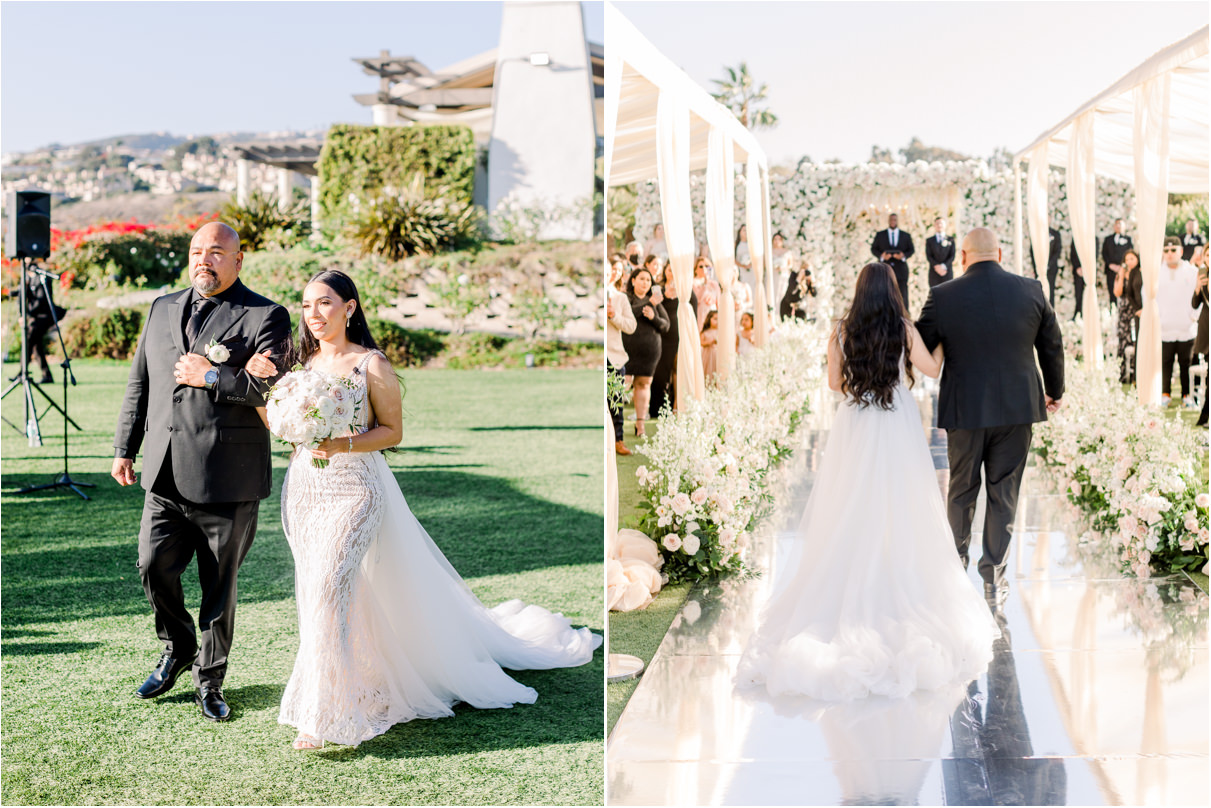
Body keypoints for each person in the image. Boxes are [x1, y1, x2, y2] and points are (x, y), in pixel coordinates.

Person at [241, 270, 601, 749]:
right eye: (307, 306)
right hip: (306, 489)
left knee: (330, 587)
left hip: (356, 489)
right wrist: (262, 389)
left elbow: (392, 431)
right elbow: (280, 425)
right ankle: (359, 681)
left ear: (349, 308)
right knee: (320, 590)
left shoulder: (370, 364)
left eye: (324, 303)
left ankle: (326, 709)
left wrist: (340, 441)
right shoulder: (299, 364)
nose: (314, 315)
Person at [737, 262, 1000, 701]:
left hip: (856, 423)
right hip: (896, 422)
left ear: (859, 291)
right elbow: (932, 371)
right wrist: (943, 347)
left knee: (851, 502)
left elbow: (834, 383)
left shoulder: (841, 331)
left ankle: (851, 573)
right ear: (892, 291)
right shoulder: (903, 327)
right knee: (901, 502)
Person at [112, 222, 293, 722]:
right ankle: (178, 646)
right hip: (163, 473)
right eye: (196, 251)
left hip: (227, 477)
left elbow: (277, 392)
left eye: (215, 252)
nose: (203, 260)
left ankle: (209, 681)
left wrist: (212, 375)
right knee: (152, 567)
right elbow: (140, 382)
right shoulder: (162, 307)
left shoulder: (265, 315)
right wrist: (124, 447)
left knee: (219, 586)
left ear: (238, 259)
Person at [917, 227, 1065, 607]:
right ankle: (994, 574)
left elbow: (920, 346)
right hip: (1018, 410)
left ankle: (955, 567)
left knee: (961, 491)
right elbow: (1052, 342)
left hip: (965, 411)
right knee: (1004, 493)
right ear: (999, 253)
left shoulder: (942, 295)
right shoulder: (1031, 289)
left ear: (962, 257)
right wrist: (1055, 389)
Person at [621, 267, 670, 437]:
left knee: (643, 384)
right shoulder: (626, 298)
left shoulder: (655, 302)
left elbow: (665, 325)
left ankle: (640, 423)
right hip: (628, 349)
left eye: (648, 280)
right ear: (633, 281)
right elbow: (629, 315)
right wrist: (650, 304)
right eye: (642, 279)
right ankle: (616, 423)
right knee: (624, 384)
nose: (645, 283)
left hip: (650, 350)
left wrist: (653, 317)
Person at [1157, 236, 1199, 407]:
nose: (1169, 254)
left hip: (1186, 327)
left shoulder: (1192, 271)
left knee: (1186, 364)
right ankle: (1165, 394)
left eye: (1173, 250)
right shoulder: (1157, 272)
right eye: (1166, 251)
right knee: (1165, 363)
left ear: (1181, 251)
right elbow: (1148, 296)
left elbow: (1200, 295)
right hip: (1164, 327)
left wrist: (1194, 315)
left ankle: (1186, 395)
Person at [649, 266, 696, 419]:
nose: (672, 273)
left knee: (678, 373)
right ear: (665, 272)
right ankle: (658, 409)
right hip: (662, 338)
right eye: (669, 270)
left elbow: (693, 317)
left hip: (680, 337)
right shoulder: (658, 291)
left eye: (675, 270)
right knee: (660, 375)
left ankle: (678, 406)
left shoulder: (687, 293)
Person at [607, 261, 637, 455]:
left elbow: (631, 326)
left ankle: (618, 441)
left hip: (615, 357)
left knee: (616, 403)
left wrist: (614, 316)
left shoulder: (620, 298)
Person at [21, 264, 67, 383]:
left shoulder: (42, 279)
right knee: (36, 346)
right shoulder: (29, 280)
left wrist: (28, 313)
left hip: (44, 316)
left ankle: (22, 372)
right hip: (37, 316)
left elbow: (42, 300)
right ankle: (47, 375)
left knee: (30, 341)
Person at [871, 212, 915, 310]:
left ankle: (904, 318)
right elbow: (874, 249)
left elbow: (911, 250)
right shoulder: (880, 235)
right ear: (888, 221)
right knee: (883, 293)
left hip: (901, 270)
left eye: (895, 220)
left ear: (898, 221)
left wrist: (903, 256)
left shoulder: (905, 235)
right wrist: (882, 256)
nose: (893, 222)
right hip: (884, 269)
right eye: (891, 219)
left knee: (902, 294)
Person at [1114, 249, 1143, 384]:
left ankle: (1136, 373)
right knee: (1124, 341)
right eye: (1127, 260)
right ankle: (1125, 372)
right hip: (1125, 311)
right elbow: (1118, 292)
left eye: (1132, 259)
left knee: (1137, 341)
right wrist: (1121, 275)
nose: (1129, 262)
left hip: (1136, 309)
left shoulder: (1140, 273)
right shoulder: (1122, 274)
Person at [1191, 246, 1208, 426]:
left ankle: (1205, 414)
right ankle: (1205, 414)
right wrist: (1197, 288)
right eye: (1208, 255)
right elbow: (1195, 304)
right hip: (1206, 327)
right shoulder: (1202, 274)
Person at [1101, 218, 1133, 306]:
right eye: (1116, 224)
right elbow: (1104, 253)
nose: (1118, 226)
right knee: (1111, 291)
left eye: (1120, 224)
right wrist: (1110, 265)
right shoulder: (1108, 239)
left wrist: (1122, 266)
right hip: (1110, 270)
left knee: (1124, 290)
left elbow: (1130, 254)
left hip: (1123, 270)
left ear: (1124, 226)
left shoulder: (1128, 239)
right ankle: (1112, 309)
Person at [1029, 226, 1063, 306]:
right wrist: (1035, 267)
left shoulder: (1055, 234)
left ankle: (1050, 311)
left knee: (1050, 291)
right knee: (1038, 291)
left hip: (1051, 269)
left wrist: (1048, 265)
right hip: (1039, 269)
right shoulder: (1037, 233)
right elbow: (1032, 251)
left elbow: (1057, 251)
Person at [691, 256, 721, 331]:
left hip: (713, 314)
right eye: (701, 266)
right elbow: (697, 299)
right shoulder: (693, 283)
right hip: (700, 314)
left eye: (707, 266)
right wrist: (705, 284)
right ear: (695, 269)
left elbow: (719, 302)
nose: (704, 269)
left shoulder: (714, 284)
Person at [924, 217, 955, 288]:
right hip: (934, 273)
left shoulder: (951, 239)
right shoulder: (929, 240)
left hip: (947, 272)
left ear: (945, 225)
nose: (939, 225)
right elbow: (929, 256)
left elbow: (952, 256)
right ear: (934, 225)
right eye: (937, 223)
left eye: (941, 223)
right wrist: (937, 267)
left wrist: (943, 267)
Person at [700, 309, 719, 383]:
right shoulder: (705, 332)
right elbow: (701, 343)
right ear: (709, 319)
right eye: (715, 319)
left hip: (717, 354)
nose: (717, 321)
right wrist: (710, 342)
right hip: (707, 355)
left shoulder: (720, 331)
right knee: (707, 370)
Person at [1070, 240, 1086, 320]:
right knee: (1078, 292)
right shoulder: (1075, 237)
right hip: (1078, 271)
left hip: (1089, 271)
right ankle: (1078, 313)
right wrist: (1077, 267)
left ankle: (1086, 314)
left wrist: (1086, 268)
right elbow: (1073, 254)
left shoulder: (1093, 237)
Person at [735, 225, 753, 290]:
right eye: (744, 230)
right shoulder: (736, 244)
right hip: (741, 270)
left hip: (752, 270)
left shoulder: (752, 244)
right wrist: (743, 265)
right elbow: (734, 259)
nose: (746, 232)